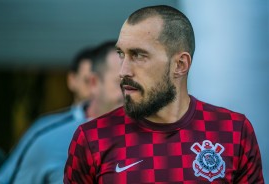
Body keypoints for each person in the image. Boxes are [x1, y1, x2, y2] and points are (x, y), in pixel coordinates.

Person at [64, 5, 264, 183]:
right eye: (121, 54)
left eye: (138, 55)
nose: (123, 71)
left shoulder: (233, 130)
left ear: (180, 64)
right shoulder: (93, 138)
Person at [0, 41, 123, 184]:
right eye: (121, 83)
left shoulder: (147, 138)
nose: (130, 93)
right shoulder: (48, 137)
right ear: (93, 83)